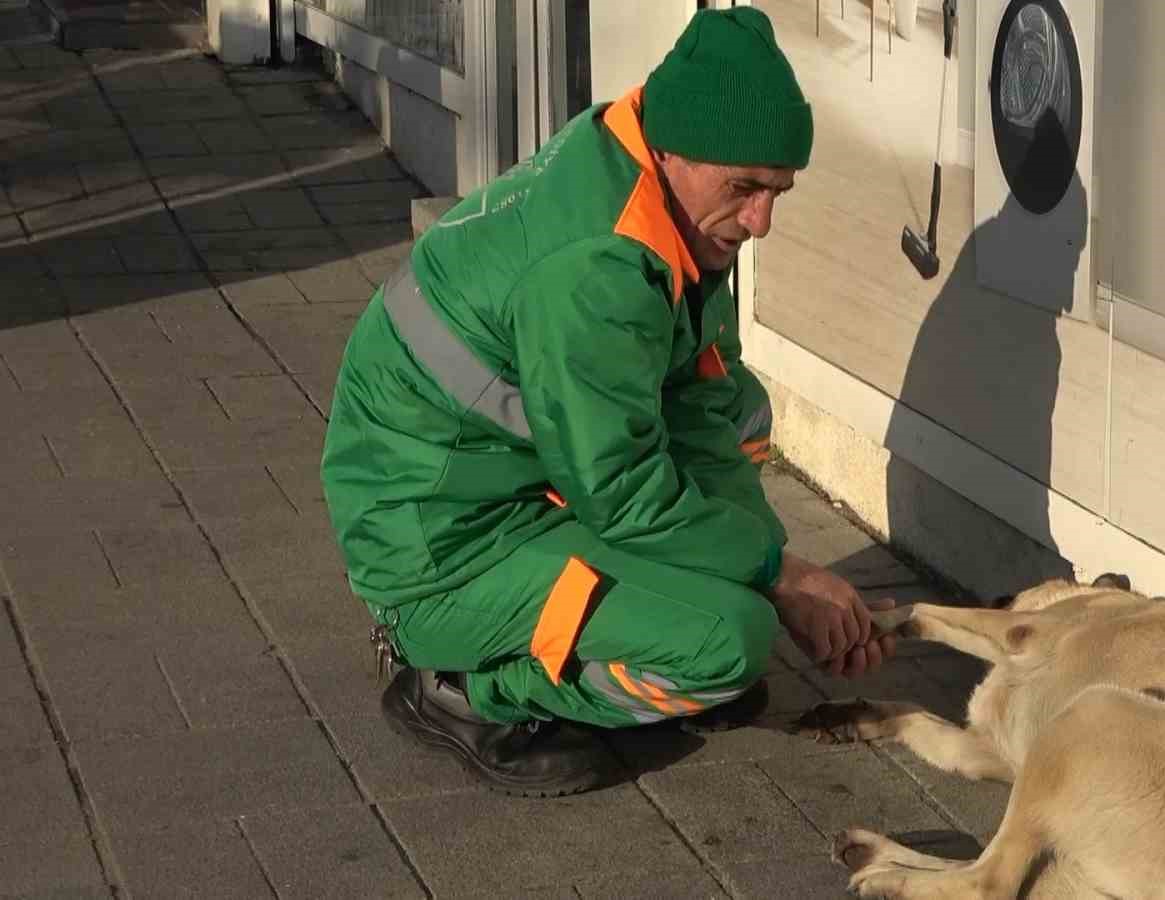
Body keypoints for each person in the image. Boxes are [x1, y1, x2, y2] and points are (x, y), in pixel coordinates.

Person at [319, 7, 896, 798]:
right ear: (675, 150)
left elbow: (700, 402)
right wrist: (778, 578)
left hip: (510, 487)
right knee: (727, 642)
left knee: (742, 415)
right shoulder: (599, 268)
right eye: (745, 188)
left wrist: (767, 569)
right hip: (438, 554)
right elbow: (622, 491)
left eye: (778, 191)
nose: (761, 221)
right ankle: (461, 687)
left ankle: (674, 624)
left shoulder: (649, 184)